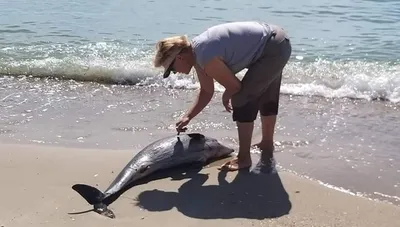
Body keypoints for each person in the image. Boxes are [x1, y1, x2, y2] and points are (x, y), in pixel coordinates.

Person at [152, 21, 292, 172]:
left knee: (241, 98)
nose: (174, 72)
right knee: (267, 92)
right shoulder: (197, 53)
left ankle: (244, 158)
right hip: (277, 40)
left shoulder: (204, 55)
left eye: (171, 69)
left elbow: (235, 87)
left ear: (179, 58)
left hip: (272, 48)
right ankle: (267, 142)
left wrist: (227, 95)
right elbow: (206, 91)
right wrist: (188, 116)